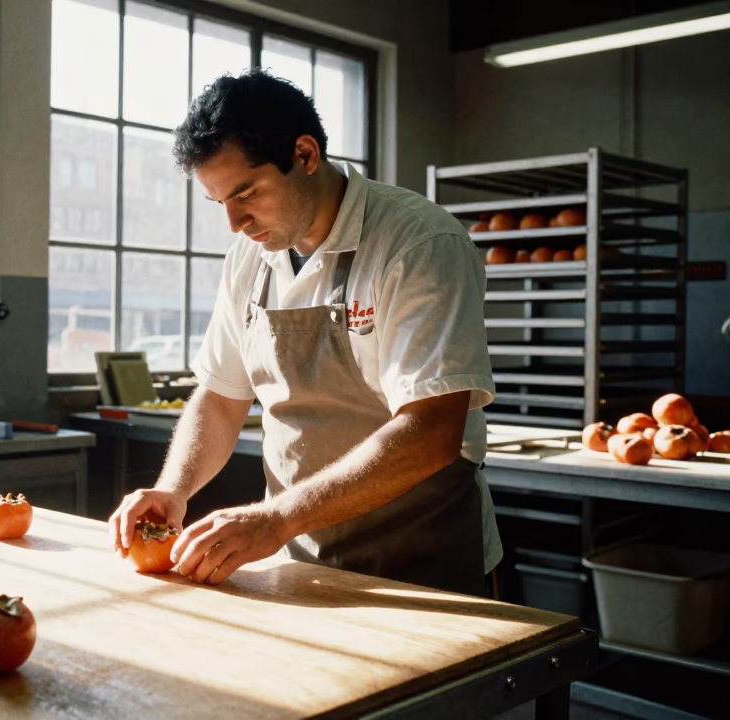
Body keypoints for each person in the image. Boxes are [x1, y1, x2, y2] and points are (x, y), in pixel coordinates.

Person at [108, 69, 501, 596]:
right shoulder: (250, 258)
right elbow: (222, 397)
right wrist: (172, 489)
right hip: (299, 556)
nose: (235, 223)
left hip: (422, 561)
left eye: (246, 192)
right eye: (220, 202)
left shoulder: (419, 244)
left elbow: (430, 431)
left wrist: (275, 519)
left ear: (306, 154)